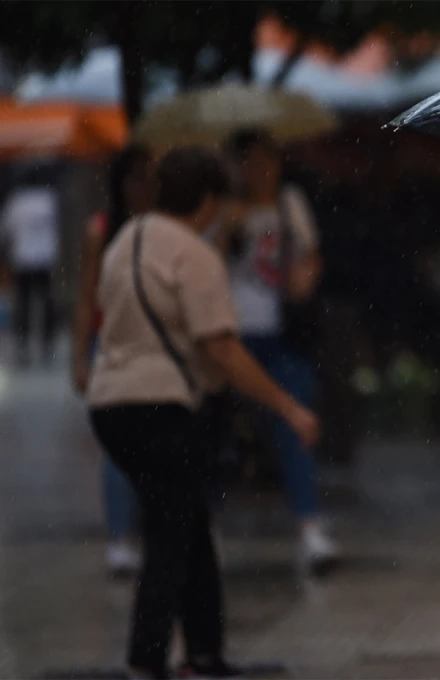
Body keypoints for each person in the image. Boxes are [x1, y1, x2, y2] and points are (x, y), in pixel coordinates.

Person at [87, 147, 320, 679]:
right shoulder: (193, 255)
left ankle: (204, 652)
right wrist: (288, 407)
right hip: (161, 405)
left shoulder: (127, 237)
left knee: (187, 523)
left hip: (110, 405)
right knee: (172, 535)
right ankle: (146, 661)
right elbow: (222, 348)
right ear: (210, 199)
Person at [221, 129, 337, 571]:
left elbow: (312, 255)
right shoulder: (226, 208)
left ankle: (310, 526)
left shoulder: (290, 202)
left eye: (266, 160)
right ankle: (205, 523)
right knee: (218, 432)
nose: (259, 171)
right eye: (249, 162)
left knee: (296, 423)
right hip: (234, 334)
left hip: (282, 331)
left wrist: (304, 277)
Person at [70, 144, 156, 575]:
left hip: (155, 344)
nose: (142, 187)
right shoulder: (101, 230)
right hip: (113, 342)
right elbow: (86, 298)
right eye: (134, 178)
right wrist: (79, 358)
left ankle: (148, 527)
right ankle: (121, 534)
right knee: (118, 443)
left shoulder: (166, 230)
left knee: (158, 440)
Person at [1, 166, 60, 365]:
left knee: (24, 303)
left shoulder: (17, 201)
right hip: (44, 256)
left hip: (24, 257)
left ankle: (23, 343)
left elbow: (7, 232)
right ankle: (46, 342)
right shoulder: (48, 199)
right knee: (45, 300)